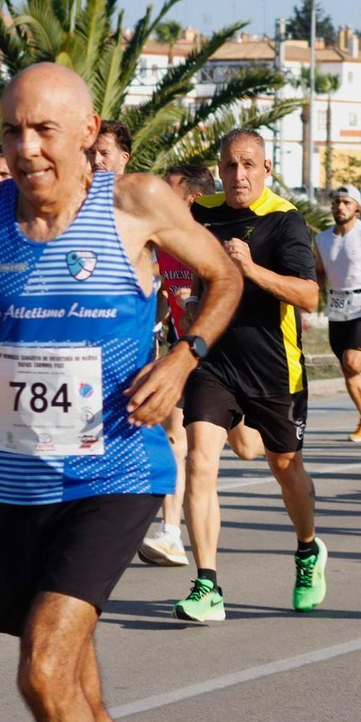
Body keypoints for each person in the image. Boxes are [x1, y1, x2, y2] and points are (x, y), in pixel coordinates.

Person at [0, 64, 242, 722]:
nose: (27, 147)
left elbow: (225, 276)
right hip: (13, 482)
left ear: (88, 132)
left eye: (44, 129)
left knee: (43, 668)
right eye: (12, 130)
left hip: (116, 470)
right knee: (71, 690)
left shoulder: (136, 202)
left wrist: (183, 358)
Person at [177, 129, 327, 622]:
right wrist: (194, 299)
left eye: (248, 165)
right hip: (214, 360)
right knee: (199, 461)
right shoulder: (203, 213)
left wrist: (250, 268)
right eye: (229, 165)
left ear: (266, 169)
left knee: (285, 468)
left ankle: (308, 551)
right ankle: (207, 586)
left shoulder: (284, 221)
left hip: (273, 368)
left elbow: (308, 296)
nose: (238, 175)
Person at [139, 164, 261, 568]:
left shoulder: (210, 240)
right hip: (184, 354)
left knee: (248, 448)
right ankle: (172, 533)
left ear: (190, 199)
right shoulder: (160, 240)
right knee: (175, 437)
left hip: (228, 356)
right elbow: (164, 294)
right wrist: (156, 321)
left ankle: (277, 431)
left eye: (167, 192)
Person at [314, 183, 361, 442]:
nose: (340, 207)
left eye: (346, 202)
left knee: (352, 361)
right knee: (348, 367)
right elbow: (319, 271)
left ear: (357, 208)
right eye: (337, 202)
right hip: (336, 309)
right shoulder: (322, 238)